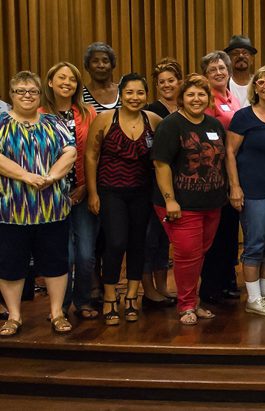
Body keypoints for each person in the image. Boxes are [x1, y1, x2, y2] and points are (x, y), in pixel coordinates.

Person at [0, 71, 77, 336]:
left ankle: (57, 313)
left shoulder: (53, 122)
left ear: (40, 94)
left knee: (56, 262)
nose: (27, 96)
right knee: (10, 264)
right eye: (21, 91)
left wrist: (51, 177)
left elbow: (70, 151)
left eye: (32, 91)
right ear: (11, 95)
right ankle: (14, 316)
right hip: (11, 211)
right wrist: (26, 176)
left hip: (52, 209)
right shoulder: (1, 123)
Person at [86, 73, 162, 325]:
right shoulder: (105, 119)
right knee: (116, 242)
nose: (135, 97)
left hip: (142, 192)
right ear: (121, 94)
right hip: (110, 191)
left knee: (138, 243)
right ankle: (110, 296)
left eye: (140, 92)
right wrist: (93, 192)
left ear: (146, 95)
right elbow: (91, 156)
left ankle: (131, 296)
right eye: (129, 92)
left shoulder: (153, 120)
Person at [151, 73, 228, 325]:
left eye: (201, 94)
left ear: (208, 98)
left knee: (199, 254)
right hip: (181, 204)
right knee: (187, 255)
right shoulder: (171, 125)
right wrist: (170, 200)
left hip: (212, 203)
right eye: (190, 94)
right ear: (182, 98)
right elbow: (161, 164)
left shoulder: (214, 125)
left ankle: (193, 301)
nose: (196, 99)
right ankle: (186, 306)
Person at [225, 66, 265, 316]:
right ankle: (253, 298)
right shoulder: (244, 117)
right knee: (255, 243)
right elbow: (230, 152)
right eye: (260, 82)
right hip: (253, 191)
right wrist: (235, 187)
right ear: (254, 88)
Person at [39, 62, 99, 319]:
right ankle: (60, 307)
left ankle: (83, 301)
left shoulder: (88, 113)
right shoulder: (39, 113)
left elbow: (96, 153)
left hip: (83, 192)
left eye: (72, 79)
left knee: (85, 254)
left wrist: (86, 186)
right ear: (50, 82)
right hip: (52, 195)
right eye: (61, 78)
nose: (67, 82)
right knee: (64, 255)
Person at [199, 51, 241, 304]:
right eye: (212, 69)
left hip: (232, 170)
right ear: (205, 75)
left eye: (222, 68)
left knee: (228, 229)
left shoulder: (232, 97)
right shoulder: (206, 100)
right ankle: (211, 286)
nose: (218, 72)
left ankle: (227, 279)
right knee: (214, 233)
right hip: (213, 172)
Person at [142, 58, 183, 308]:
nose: (167, 85)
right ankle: (148, 290)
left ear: (180, 82)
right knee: (150, 238)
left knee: (164, 239)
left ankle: (162, 287)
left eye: (171, 80)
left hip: (180, 184)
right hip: (152, 183)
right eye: (161, 82)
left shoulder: (186, 107)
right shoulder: (150, 110)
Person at [82, 42, 120, 112]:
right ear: (87, 67)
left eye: (105, 61)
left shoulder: (123, 91)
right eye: (95, 61)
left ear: (112, 65)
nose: (101, 65)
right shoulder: (80, 95)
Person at [225, 35, 257, 108]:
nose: (241, 56)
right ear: (229, 59)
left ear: (252, 59)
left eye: (245, 53)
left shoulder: (259, 84)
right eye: (235, 53)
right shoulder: (223, 85)